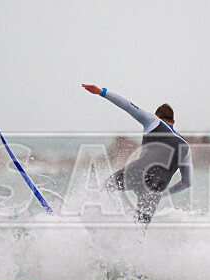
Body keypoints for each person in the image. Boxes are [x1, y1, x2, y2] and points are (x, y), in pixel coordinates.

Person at [82, 84, 192, 225]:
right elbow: (186, 183)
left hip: (137, 171)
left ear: (157, 116)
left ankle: (93, 223)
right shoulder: (186, 148)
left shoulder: (153, 121)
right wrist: (164, 194)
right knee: (140, 227)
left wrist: (102, 92)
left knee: (105, 189)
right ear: (173, 122)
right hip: (157, 187)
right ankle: (131, 236)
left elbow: (128, 106)